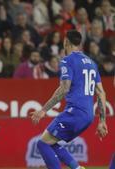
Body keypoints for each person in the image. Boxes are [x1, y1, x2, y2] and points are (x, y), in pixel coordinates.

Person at [30, 30, 108, 169]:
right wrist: (102, 121)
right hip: (88, 116)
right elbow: (101, 92)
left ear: (66, 42)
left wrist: (43, 110)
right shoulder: (91, 63)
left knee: (42, 144)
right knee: (51, 142)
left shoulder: (67, 60)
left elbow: (64, 89)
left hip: (74, 112)